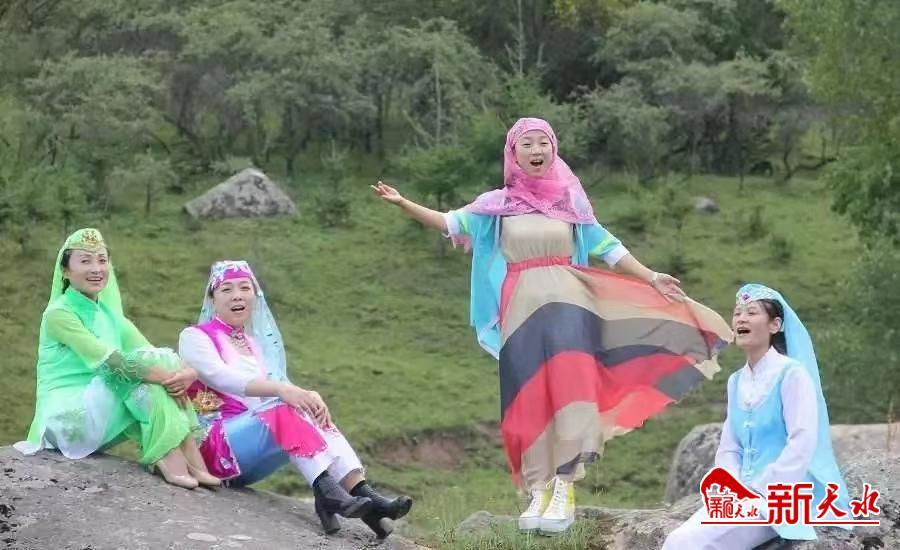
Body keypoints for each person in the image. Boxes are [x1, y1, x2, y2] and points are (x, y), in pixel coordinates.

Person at [372, 117, 732, 534]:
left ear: (553, 149)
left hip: (569, 308)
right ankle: (538, 489)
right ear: (513, 153)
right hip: (519, 314)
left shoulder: (570, 203)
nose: (536, 150)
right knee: (528, 398)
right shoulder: (496, 206)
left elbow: (608, 247)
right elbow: (450, 223)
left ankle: (564, 487)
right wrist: (403, 202)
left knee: (569, 394)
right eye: (527, 143)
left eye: (543, 142)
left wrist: (651, 277)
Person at [178, 260, 412, 538]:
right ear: (212, 298)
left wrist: (307, 395)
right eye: (226, 289)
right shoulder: (195, 337)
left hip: (250, 448)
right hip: (214, 448)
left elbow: (283, 390)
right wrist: (282, 390)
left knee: (310, 409)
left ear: (255, 295)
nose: (237, 295)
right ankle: (328, 493)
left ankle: (364, 497)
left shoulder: (254, 344)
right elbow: (222, 378)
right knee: (284, 406)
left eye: (244, 288)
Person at [15, 228, 219, 490]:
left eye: (102, 260)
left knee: (155, 363)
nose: (96, 268)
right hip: (65, 419)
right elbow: (110, 361)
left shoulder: (110, 316)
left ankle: (183, 451)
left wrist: (187, 373)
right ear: (65, 270)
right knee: (133, 375)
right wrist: (167, 377)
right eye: (85, 261)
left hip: (99, 410)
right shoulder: (59, 314)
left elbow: (153, 352)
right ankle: (170, 453)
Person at [662, 284, 851, 549]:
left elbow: (802, 440)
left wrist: (761, 487)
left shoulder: (792, 374)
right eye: (737, 313)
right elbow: (730, 447)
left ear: (775, 325)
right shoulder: (736, 381)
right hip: (740, 497)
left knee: (686, 543)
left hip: (779, 495)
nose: (741, 318)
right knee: (677, 539)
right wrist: (734, 486)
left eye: (751, 312)